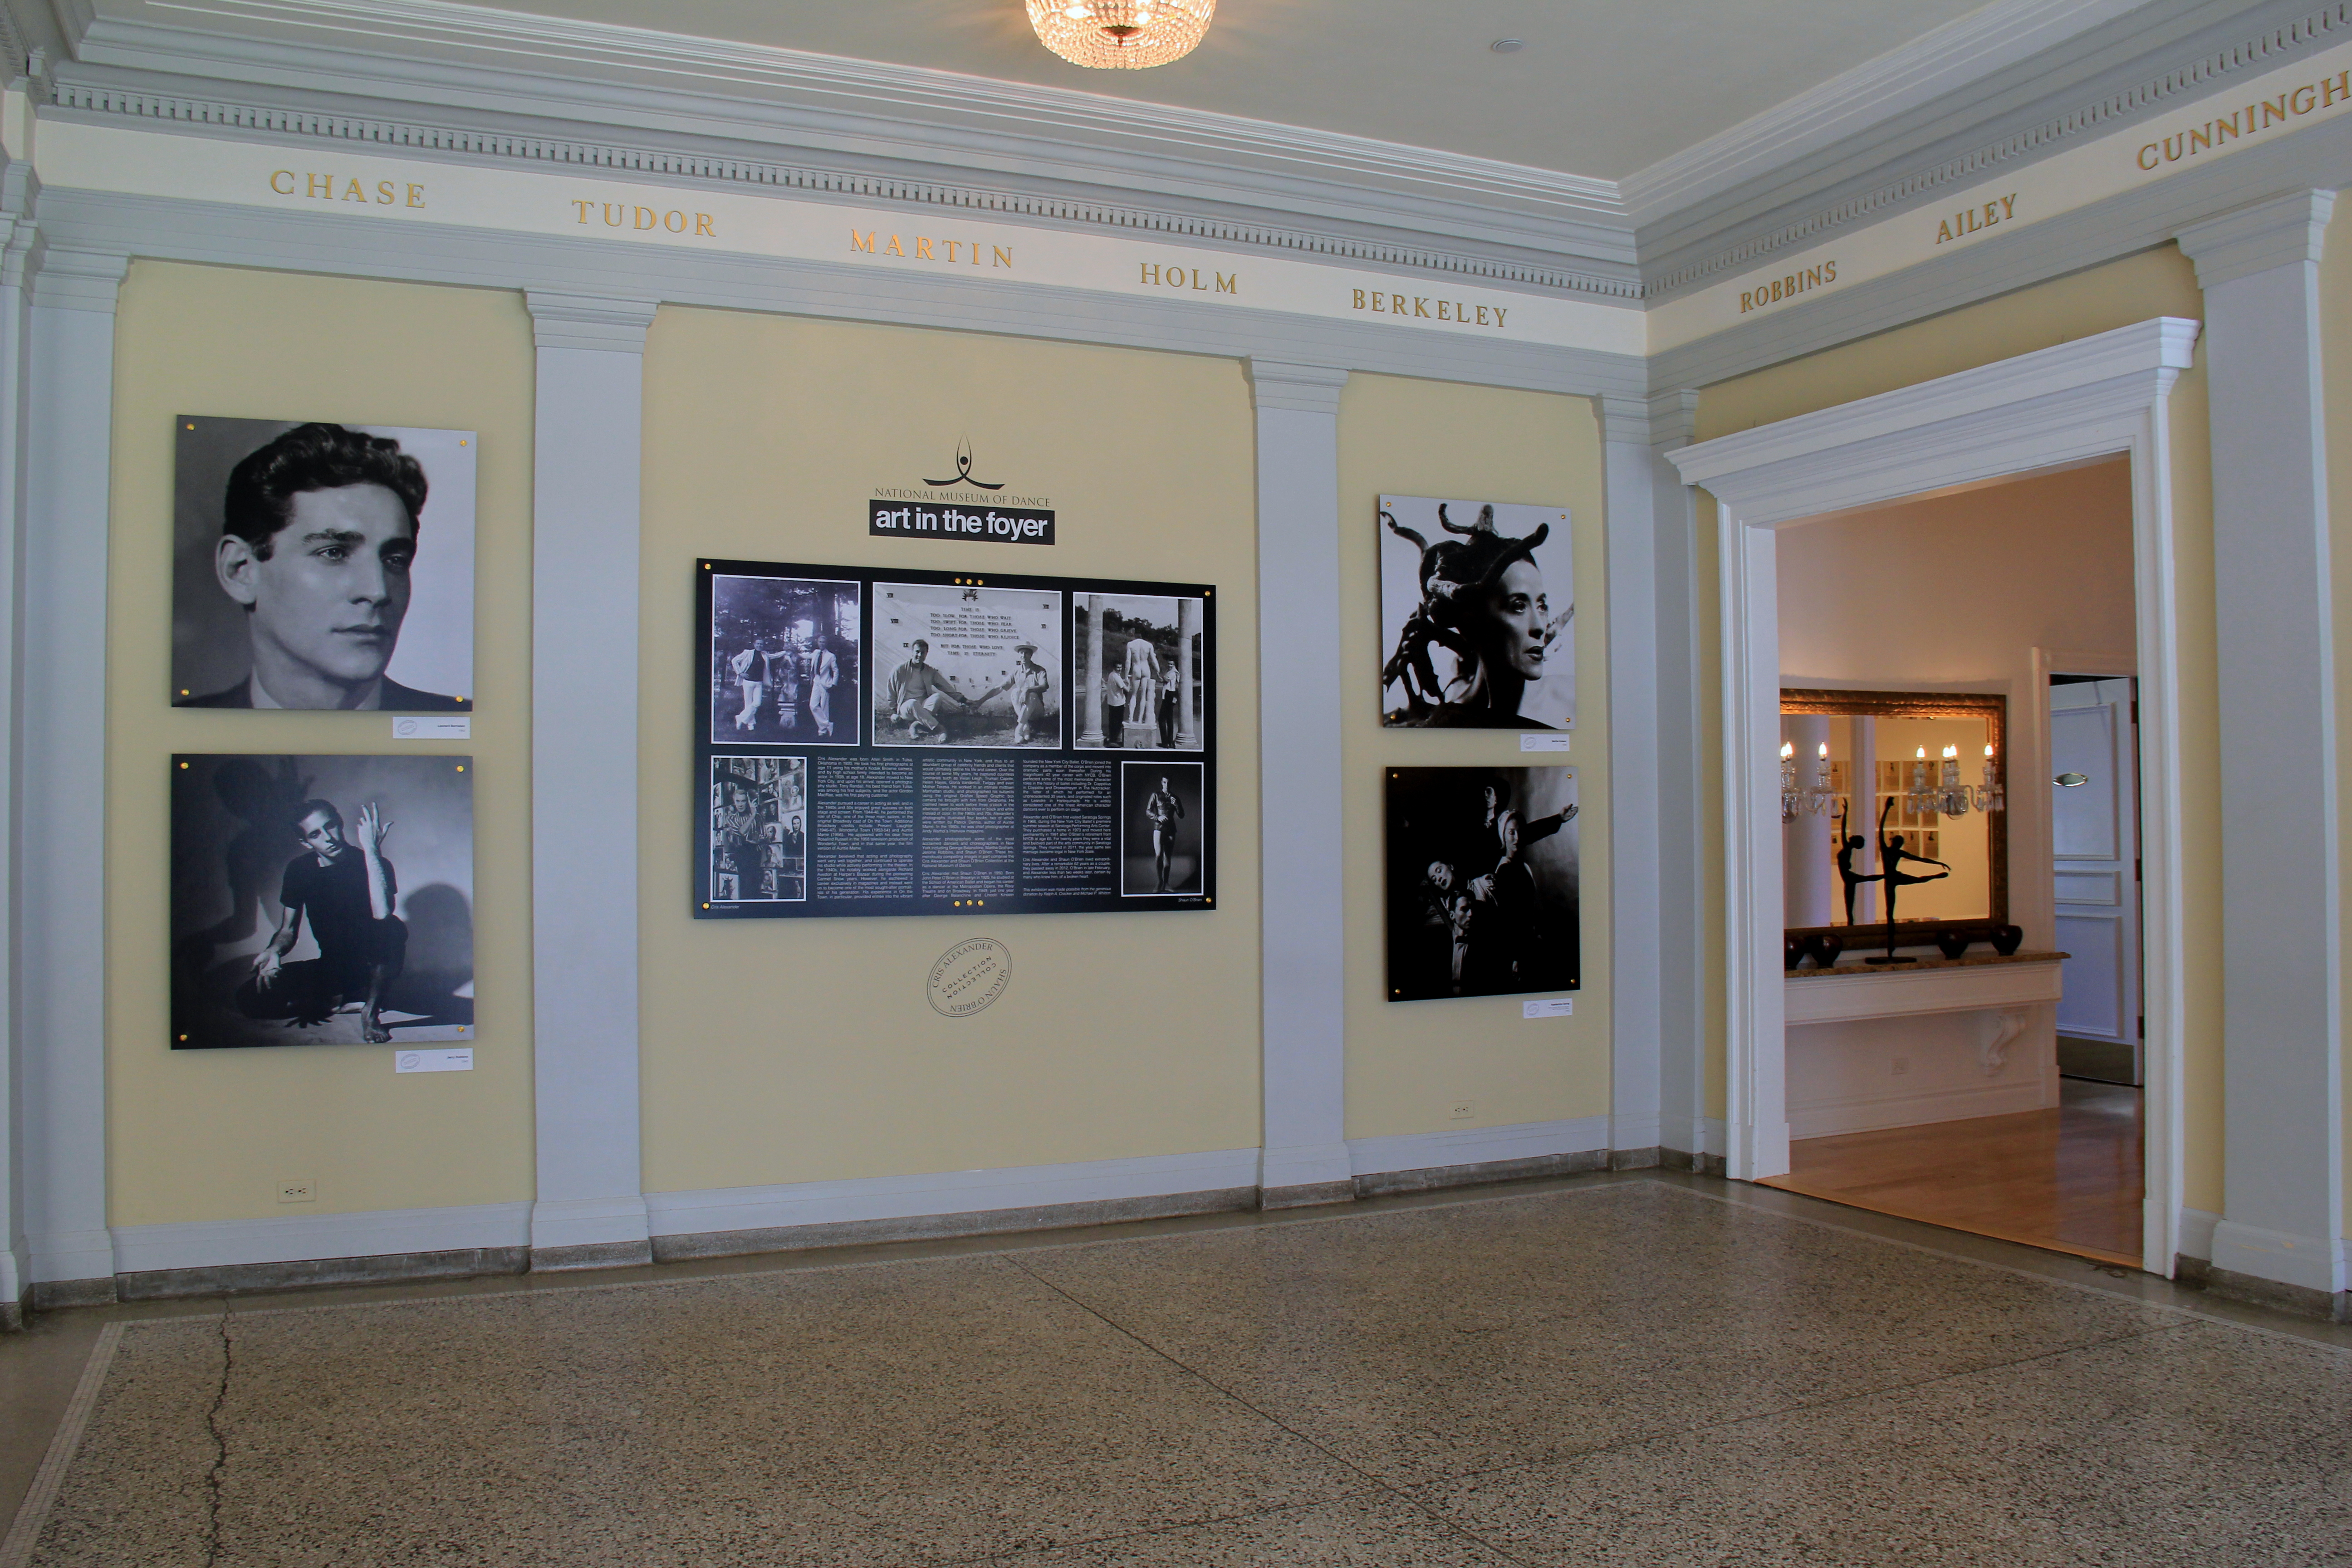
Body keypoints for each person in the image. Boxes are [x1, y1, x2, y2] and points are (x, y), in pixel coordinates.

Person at [187, 422, 466, 711]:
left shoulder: (462, 721)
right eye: (334, 553)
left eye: (395, 561)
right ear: (240, 570)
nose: (377, 590)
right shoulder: (186, 730)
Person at [1382, 503, 1570, 729]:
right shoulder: (1446, 722)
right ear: (1472, 620)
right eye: (1518, 606)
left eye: (1541, 605)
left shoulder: (1570, 701)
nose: (1539, 626)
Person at [235, 798, 406, 1042]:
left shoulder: (377, 864)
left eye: (331, 826)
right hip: (334, 967)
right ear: (306, 843)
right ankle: (339, 1000)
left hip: (373, 966)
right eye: (316, 834)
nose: (329, 837)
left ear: (340, 823)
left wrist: (371, 851)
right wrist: (275, 950)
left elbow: (383, 915)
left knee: (393, 929)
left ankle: (370, 1010)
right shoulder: (299, 870)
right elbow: (288, 930)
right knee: (250, 998)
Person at [884, 639, 972, 739]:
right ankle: (941, 729)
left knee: (937, 697)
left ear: (926, 654)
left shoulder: (929, 671)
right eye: (917, 652)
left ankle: (915, 726)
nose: (920, 655)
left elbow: (946, 687)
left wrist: (963, 700)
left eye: (923, 653)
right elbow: (891, 691)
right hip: (906, 709)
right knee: (912, 703)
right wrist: (894, 712)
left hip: (924, 708)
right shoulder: (899, 669)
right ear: (912, 652)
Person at [1142, 774, 1186, 892]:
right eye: (1165, 782)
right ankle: (1160, 882)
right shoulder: (1156, 795)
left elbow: (1182, 815)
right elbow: (1148, 811)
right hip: (1159, 827)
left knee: (1168, 857)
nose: (1167, 785)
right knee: (1159, 855)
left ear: (1171, 783)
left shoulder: (1175, 797)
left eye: (1169, 783)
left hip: (1171, 829)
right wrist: (1157, 817)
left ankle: (1166, 883)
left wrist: (1177, 804)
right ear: (1162, 783)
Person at [1009, 641, 1052, 745]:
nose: (1023, 656)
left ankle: (1019, 730)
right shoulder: (1016, 671)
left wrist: (1028, 690)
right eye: (1021, 653)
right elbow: (1001, 687)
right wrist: (981, 701)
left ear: (1031, 655)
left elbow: (1045, 686)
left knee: (1032, 695)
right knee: (1015, 692)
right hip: (1024, 711)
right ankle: (1026, 727)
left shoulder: (1039, 670)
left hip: (1037, 710)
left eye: (1026, 653)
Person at [1122, 634, 1161, 742]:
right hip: (1146, 668)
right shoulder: (1148, 645)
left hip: (1136, 668)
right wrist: (1158, 673)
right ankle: (1140, 720)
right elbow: (1154, 660)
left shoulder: (1131, 644)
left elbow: (1128, 661)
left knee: (1134, 695)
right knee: (1143, 696)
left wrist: (1126, 676)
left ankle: (1130, 719)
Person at [808, 636, 841, 740]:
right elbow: (805, 656)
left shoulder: (831, 656)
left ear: (826, 644)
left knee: (824, 707)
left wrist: (834, 684)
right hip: (816, 681)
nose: (822, 644)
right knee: (813, 705)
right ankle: (828, 725)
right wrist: (793, 652)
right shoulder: (815, 653)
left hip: (826, 683)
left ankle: (822, 731)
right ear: (818, 643)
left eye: (824, 642)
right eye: (820, 642)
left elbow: (836, 671)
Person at [730, 641, 766, 732]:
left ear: (763, 645)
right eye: (758, 644)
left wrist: (786, 652)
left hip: (759, 683)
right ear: (754, 645)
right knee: (748, 704)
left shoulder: (765, 655)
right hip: (748, 682)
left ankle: (740, 718)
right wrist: (740, 673)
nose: (759, 645)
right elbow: (734, 661)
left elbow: (775, 656)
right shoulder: (748, 653)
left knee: (758, 703)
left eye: (761, 644)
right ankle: (750, 725)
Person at [1157, 658, 1181, 747]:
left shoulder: (1173, 673)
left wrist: (1161, 677)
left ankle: (1166, 742)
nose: (1170, 666)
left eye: (1172, 664)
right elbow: (1165, 680)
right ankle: (1169, 742)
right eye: (1169, 664)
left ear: (1174, 665)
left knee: (1162, 719)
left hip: (1169, 695)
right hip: (1170, 695)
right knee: (1169, 719)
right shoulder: (1170, 672)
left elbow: (1167, 680)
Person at [1103, 665, 1131, 742]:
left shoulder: (1111, 675)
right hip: (1119, 703)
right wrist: (1129, 683)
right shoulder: (1117, 677)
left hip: (1112, 702)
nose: (1120, 669)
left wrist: (1123, 681)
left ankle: (1112, 739)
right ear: (1114, 668)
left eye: (1121, 667)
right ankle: (1115, 740)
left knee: (1112, 722)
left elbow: (1117, 683)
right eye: (1118, 668)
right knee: (1118, 723)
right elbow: (1127, 690)